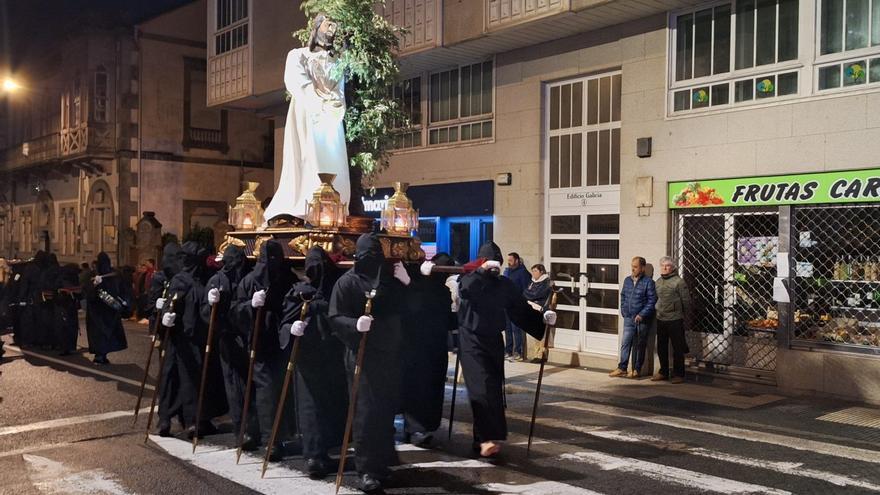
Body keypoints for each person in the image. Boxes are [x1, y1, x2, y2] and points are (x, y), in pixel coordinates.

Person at [457, 242, 556, 459]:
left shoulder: (504, 285)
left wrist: (543, 321)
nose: (496, 267)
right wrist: (480, 272)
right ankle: (486, 439)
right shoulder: (470, 278)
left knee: (493, 389)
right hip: (471, 341)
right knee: (481, 389)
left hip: (493, 339)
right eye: (491, 263)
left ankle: (481, 437)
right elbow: (465, 289)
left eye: (498, 263)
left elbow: (520, 310)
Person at [329, 233, 409, 492]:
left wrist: (408, 285)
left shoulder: (388, 281)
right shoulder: (346, 283)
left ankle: (382, 463)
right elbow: (335, 316)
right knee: (365, 413)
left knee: (385, 412)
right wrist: (354, 325)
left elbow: (406, 311)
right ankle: (366, 469)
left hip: (388, 354)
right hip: (362, 354)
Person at [263, 14, 349, 223]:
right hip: (307, 112)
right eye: (328, 25)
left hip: (331, 117)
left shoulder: (336, 62)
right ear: (317, 27)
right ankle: (303, 203)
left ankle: (333, 204)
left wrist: (336, 104)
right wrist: (317, 100)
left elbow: (339, 88)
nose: (331, 31)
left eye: (334, 27)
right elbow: (296, 81)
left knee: (331, 157)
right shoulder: (298, 55)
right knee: (307, 156)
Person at [280, 246, 348, 479]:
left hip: (331, 355)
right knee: (310, 406)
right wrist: (292, 329)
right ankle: (313, 454)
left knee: (330, 403)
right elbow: (285, 322)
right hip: (308, 357)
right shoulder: (299, 292)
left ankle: (328, 447)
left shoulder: (334, 290)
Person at [230, 239, 298, 458]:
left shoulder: (287, 279)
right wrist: (250, 305)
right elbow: (235, 311)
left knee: (281, 389)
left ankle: (280, 433)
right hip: (259, 342)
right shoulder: (250, 281)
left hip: (283, 341)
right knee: (265, 390)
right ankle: (269, 439)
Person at [159, 241, 227, 439]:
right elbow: (172, 303)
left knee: (198, 379)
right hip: (181, 336)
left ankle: (199, 418)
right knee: (179, 378)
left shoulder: (206, 278)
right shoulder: (180, 280)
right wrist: (165, 316)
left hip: (201, 334)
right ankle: (181, 419)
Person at [400, 253, 456, 448]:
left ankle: (425, 427)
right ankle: (415, 428)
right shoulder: (419, 286)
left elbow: (446, 318)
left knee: (431, 388)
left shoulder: (442, 291)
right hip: (417, 346)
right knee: (417, 387)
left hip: (436, 345)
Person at [204, 244, 252, 445]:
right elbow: (207, 314)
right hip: (228, 335)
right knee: (234, 384)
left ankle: (252, 425)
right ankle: (241, 429)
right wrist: (210, 303)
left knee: (248, 382)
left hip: (245, 335)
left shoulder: (245, 277)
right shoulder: (218, 280)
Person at [610, 257, 657, 379]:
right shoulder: (627, 280)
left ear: (642, 268)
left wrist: (641, 315)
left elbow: (652, 301)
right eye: (632, 266)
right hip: (628, 318)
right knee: (625, 343)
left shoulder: (648, 282)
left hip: (642, 320)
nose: (633, 269)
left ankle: (636, 369)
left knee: (640, 345)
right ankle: (622, 368)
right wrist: (624, 311)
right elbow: (623, 296)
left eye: (635, 267)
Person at [85, 252, 131, 365]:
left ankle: (101, 355)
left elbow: (89, 293)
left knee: (100, 333)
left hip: (100, 310)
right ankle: (101, 355)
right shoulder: (110, 275)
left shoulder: (110, 275)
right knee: (104, 333)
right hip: (106, 310)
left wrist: (95, 286)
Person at [652, 256, 691, 384]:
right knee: (661, 347)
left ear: (672, 267)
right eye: (662, 265)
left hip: (675, 319)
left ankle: (679, 374)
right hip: (661, 318)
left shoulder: (679, 282)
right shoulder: (658, 281)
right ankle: (663, 371)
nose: (664, 267)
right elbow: (655, 298)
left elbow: (686, 301)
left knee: (677, 348)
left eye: (667, 265)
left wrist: (687, 318)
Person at [503, 252, 531, 360]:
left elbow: (526, 289)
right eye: (508, 260)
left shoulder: (523, 273)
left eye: (511, 260)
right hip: (506, 304)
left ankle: (518, 352)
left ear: (517, 260)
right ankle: (508, 351)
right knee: (508, 329)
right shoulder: (507, 271)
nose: (509, 262)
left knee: (517, 330)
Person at [524, 264, 553, 362]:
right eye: (532, 271)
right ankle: (536, 354)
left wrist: (530, 296)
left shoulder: (547, 282)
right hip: (532, 309)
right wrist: (530, 295)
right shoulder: (532, 282)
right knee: (535, 333)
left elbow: (538, 294)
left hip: (541, 309)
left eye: (535, 271)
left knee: (541, 334)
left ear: (541, 272)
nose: (533, 273)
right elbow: (525, 293)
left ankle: (541, 355)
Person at [55, 263, 83, 356]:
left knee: (63, 326)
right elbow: (80, 293)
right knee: (72, 326)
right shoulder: (74, 278)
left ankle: (64, 347)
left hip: (63, 304)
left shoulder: (62, 277)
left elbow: (56, 288)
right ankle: (71, 346)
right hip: (72, 304)